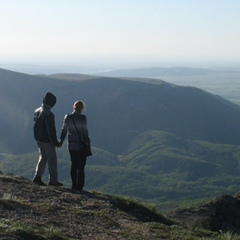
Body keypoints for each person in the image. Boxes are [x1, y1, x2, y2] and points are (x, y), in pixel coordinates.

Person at [32, 92, 63, 186]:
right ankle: (53, 181)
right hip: (47, 140)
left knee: (42, 157)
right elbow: (51, 130)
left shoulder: (37, 111)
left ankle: (37, 177)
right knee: (52, 160)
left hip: (38, 139)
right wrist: (56, 142)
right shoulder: (49, 114)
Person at [60, 100, 91, 191]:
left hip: (71, 144)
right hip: (81, 144)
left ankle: (73, 185)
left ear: (74, 107)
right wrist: (87, 142)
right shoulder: (83, 118)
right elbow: (85, 132)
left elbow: (64, 130)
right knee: (81, 167)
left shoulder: (68, 117)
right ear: (81, 108)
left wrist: (61, 141)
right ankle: (79, 186)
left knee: (73, 164)